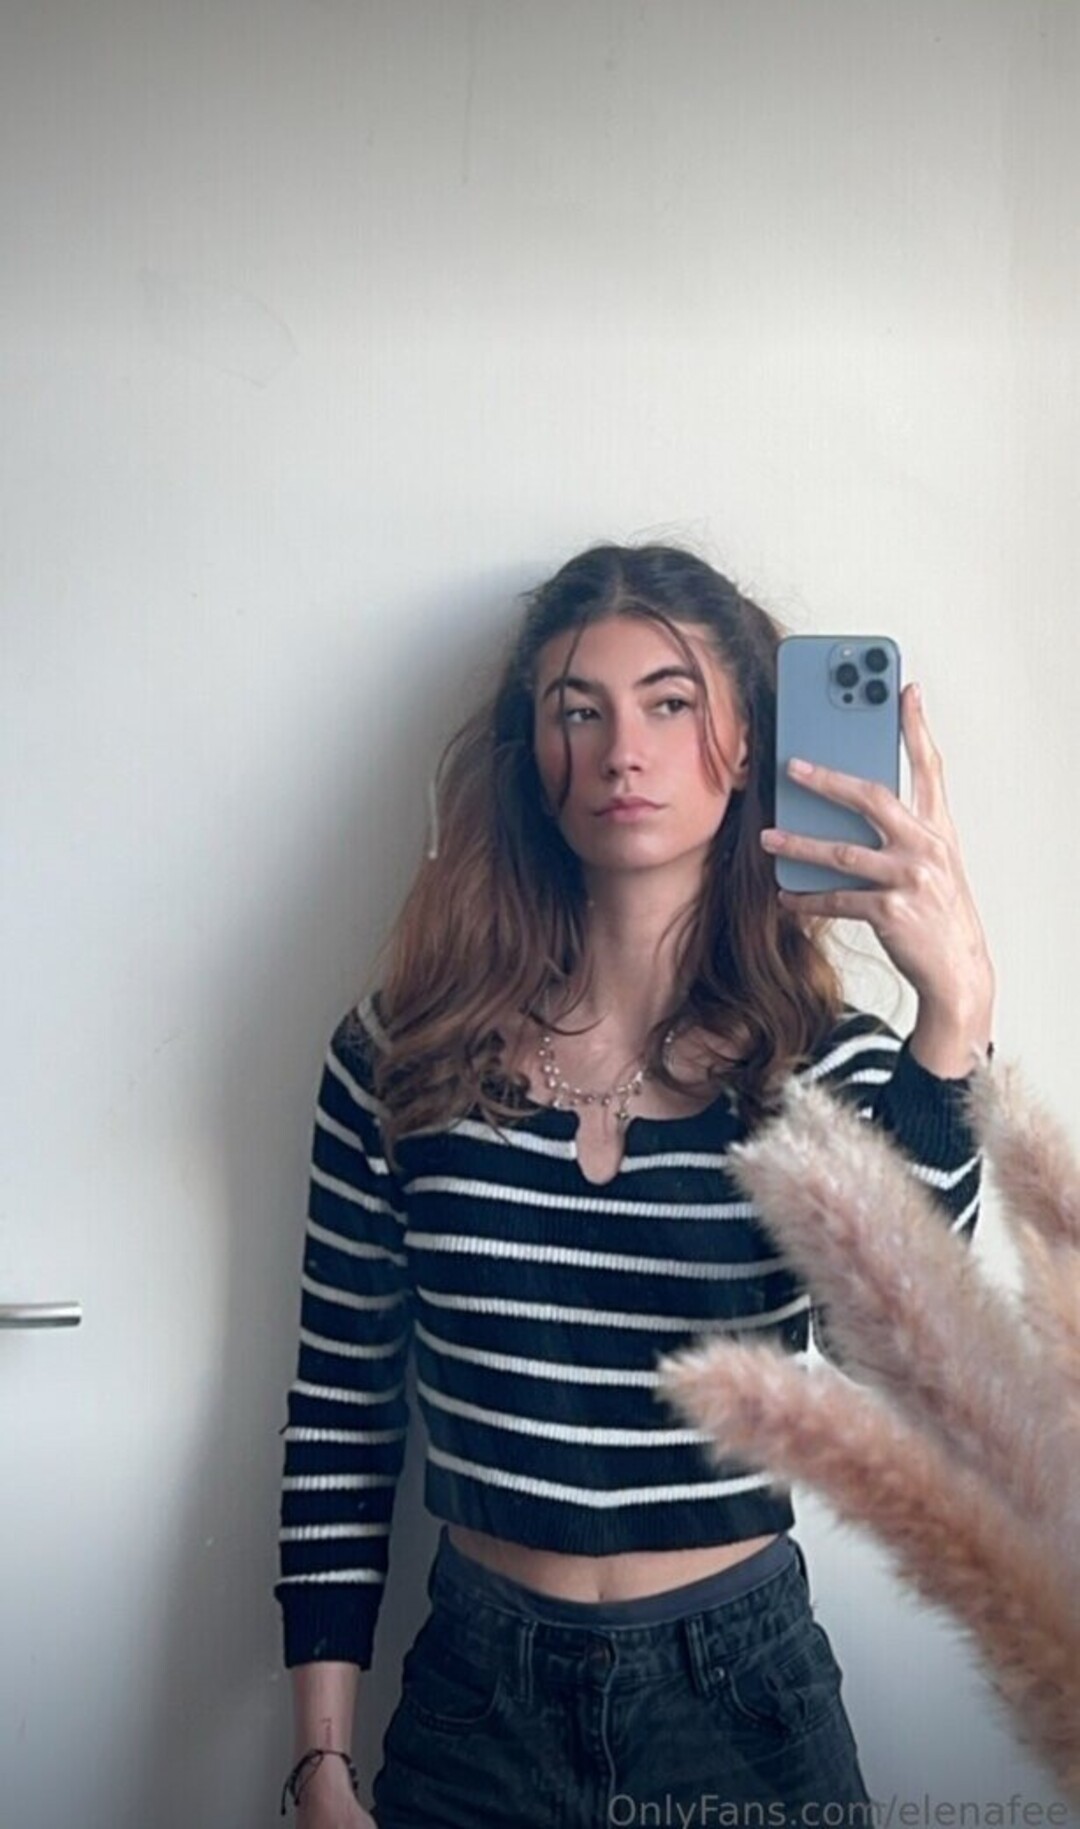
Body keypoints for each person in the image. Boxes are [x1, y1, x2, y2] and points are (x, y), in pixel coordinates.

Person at [274, 544, 995, 1826]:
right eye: (580, 709)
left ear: (746, 743)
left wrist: (951, 1020)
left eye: (670, 703)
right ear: (532, 750)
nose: (624, 751)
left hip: (742, 1693)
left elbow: (906, 1368)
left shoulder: (826, 1068)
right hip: (474, 1698)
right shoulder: (400, 1060)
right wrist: (320, 1761)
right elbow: (341, 1414)